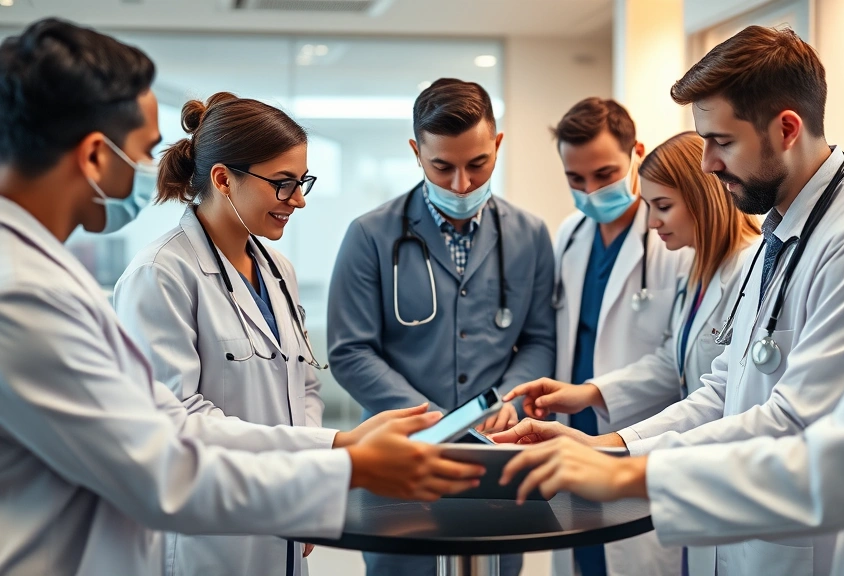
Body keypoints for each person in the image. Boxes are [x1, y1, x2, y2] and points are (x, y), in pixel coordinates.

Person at [499, 1, 844, 574]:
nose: (706, 163)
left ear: (786, 129)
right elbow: (726, 384)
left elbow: (818, 438)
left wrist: (628, 472)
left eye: (721, 141)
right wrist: (607, 447)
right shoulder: (783, 229)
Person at [0, 18, 484, 576]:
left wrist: (337, 445)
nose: (150, 169)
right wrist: (346, 464)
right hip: (199, 545)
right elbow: (163, 463)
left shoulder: (44, 275)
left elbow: (168, 419)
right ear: (92, 156)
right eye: (141, 151)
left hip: (259, 523)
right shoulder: (35, 292)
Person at [326, 78, 555, 576]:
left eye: (478, 164)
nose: (461, 184)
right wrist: (435, 420)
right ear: (416, 151)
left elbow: (538, 339)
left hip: (498, 453)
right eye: (442, 167)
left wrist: (510, 397)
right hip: (405, 451)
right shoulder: (369, 235)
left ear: (497, 144)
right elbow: (350, 351)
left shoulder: (531, 235)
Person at [507, 130, 759, 576]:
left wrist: (608, 444)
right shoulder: (703, 269)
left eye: (663, 207)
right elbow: (675, 364)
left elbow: (721, 396)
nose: (654, 222)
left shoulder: (749, 267)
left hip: (721, 473)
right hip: (684, 465)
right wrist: (586, 394)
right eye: (652, 207)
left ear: (704, 197)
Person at [113, 92, 329, 576]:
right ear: (223, 179)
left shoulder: (279, 271)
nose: (299, 199)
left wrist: (309, 480)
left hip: (286, 521)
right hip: (206, 539)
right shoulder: (160, 273)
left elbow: (305, 385)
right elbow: (175, 421)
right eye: (283, 183)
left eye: (302, 181)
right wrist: (329, 450)